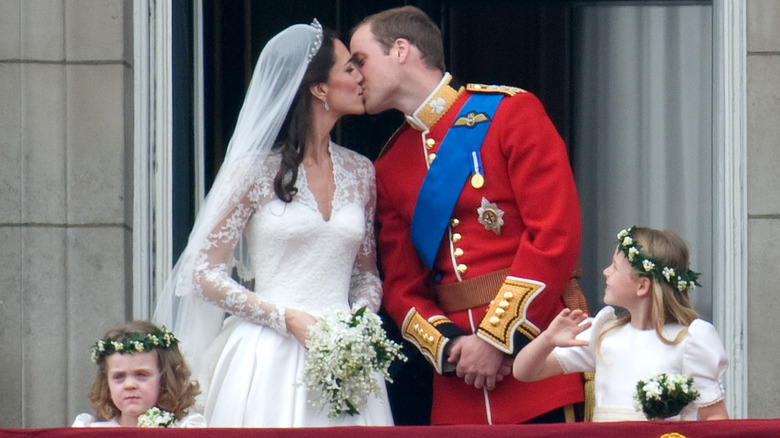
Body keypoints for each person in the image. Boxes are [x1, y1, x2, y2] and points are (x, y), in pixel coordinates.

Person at [350, 6, 586, 425]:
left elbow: (555, 236)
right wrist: (452, 345)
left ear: (401, 50)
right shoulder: (390, 165)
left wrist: (496, 339)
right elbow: (402, 288)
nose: (355, 75)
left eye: (361, 60)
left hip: (537, 363)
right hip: (460, 387)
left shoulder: (512, 113)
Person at [153, 20, 393, 427]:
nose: (361, 77)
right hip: (267, 355)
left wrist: (357, 325)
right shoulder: (252, 171)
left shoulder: (361, 172)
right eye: (350, 68)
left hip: (346, 361)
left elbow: (366, 275)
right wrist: (287, 318)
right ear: (319, 88)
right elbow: (202, 272)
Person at [513, 226, 729, 421]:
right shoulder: (604, 334)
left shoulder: (688, 341)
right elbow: (524, 372)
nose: (605, 271)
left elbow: (715, 417)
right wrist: (548, 340)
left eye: (615, 267)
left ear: (642, 286)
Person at [72, 321, 206, 428]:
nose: (129, 385)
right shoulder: (91, 431)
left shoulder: (185, 430)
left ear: (165, 379)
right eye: (119, 376)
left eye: (141, 374)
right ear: (106, 383)